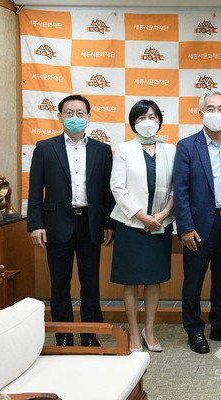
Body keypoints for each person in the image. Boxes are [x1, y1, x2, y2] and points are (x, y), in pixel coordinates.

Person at [27, 94, 115, 347]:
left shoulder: (102, 150)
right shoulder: (45, 148)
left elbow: (108, 192)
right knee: (59, 285)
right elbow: (35, 190)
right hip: (56, 224)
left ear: (89, 117)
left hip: (91, 223)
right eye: (69, 113)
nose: (74, 117)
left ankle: (90, 335)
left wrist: (109, 224)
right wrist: (35, 224)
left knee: (91, 284)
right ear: (60, 116)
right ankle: (63, 335)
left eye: (80, 113)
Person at [173, 90, 221, 354]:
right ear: (200, 113)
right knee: (193, 280)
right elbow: (180, 190)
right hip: (198, 226)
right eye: (211, 108)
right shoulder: (187, 146)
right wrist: (185, 228)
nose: (216, 113)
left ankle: (219, 324)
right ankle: (194, 329)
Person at [109, 99, 175, 352]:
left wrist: (163, 214)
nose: (148, 122)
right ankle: (134, 333)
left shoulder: (171, 149)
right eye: (141, 118)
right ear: (133, 122)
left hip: (160, 223)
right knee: (131, 280)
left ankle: (150, 330)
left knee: (153, 279)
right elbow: (118, 188)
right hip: (131, 224)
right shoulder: (124, 149)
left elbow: (176, 188)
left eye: (152, 117)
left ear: (159, 120)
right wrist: (142, 217)